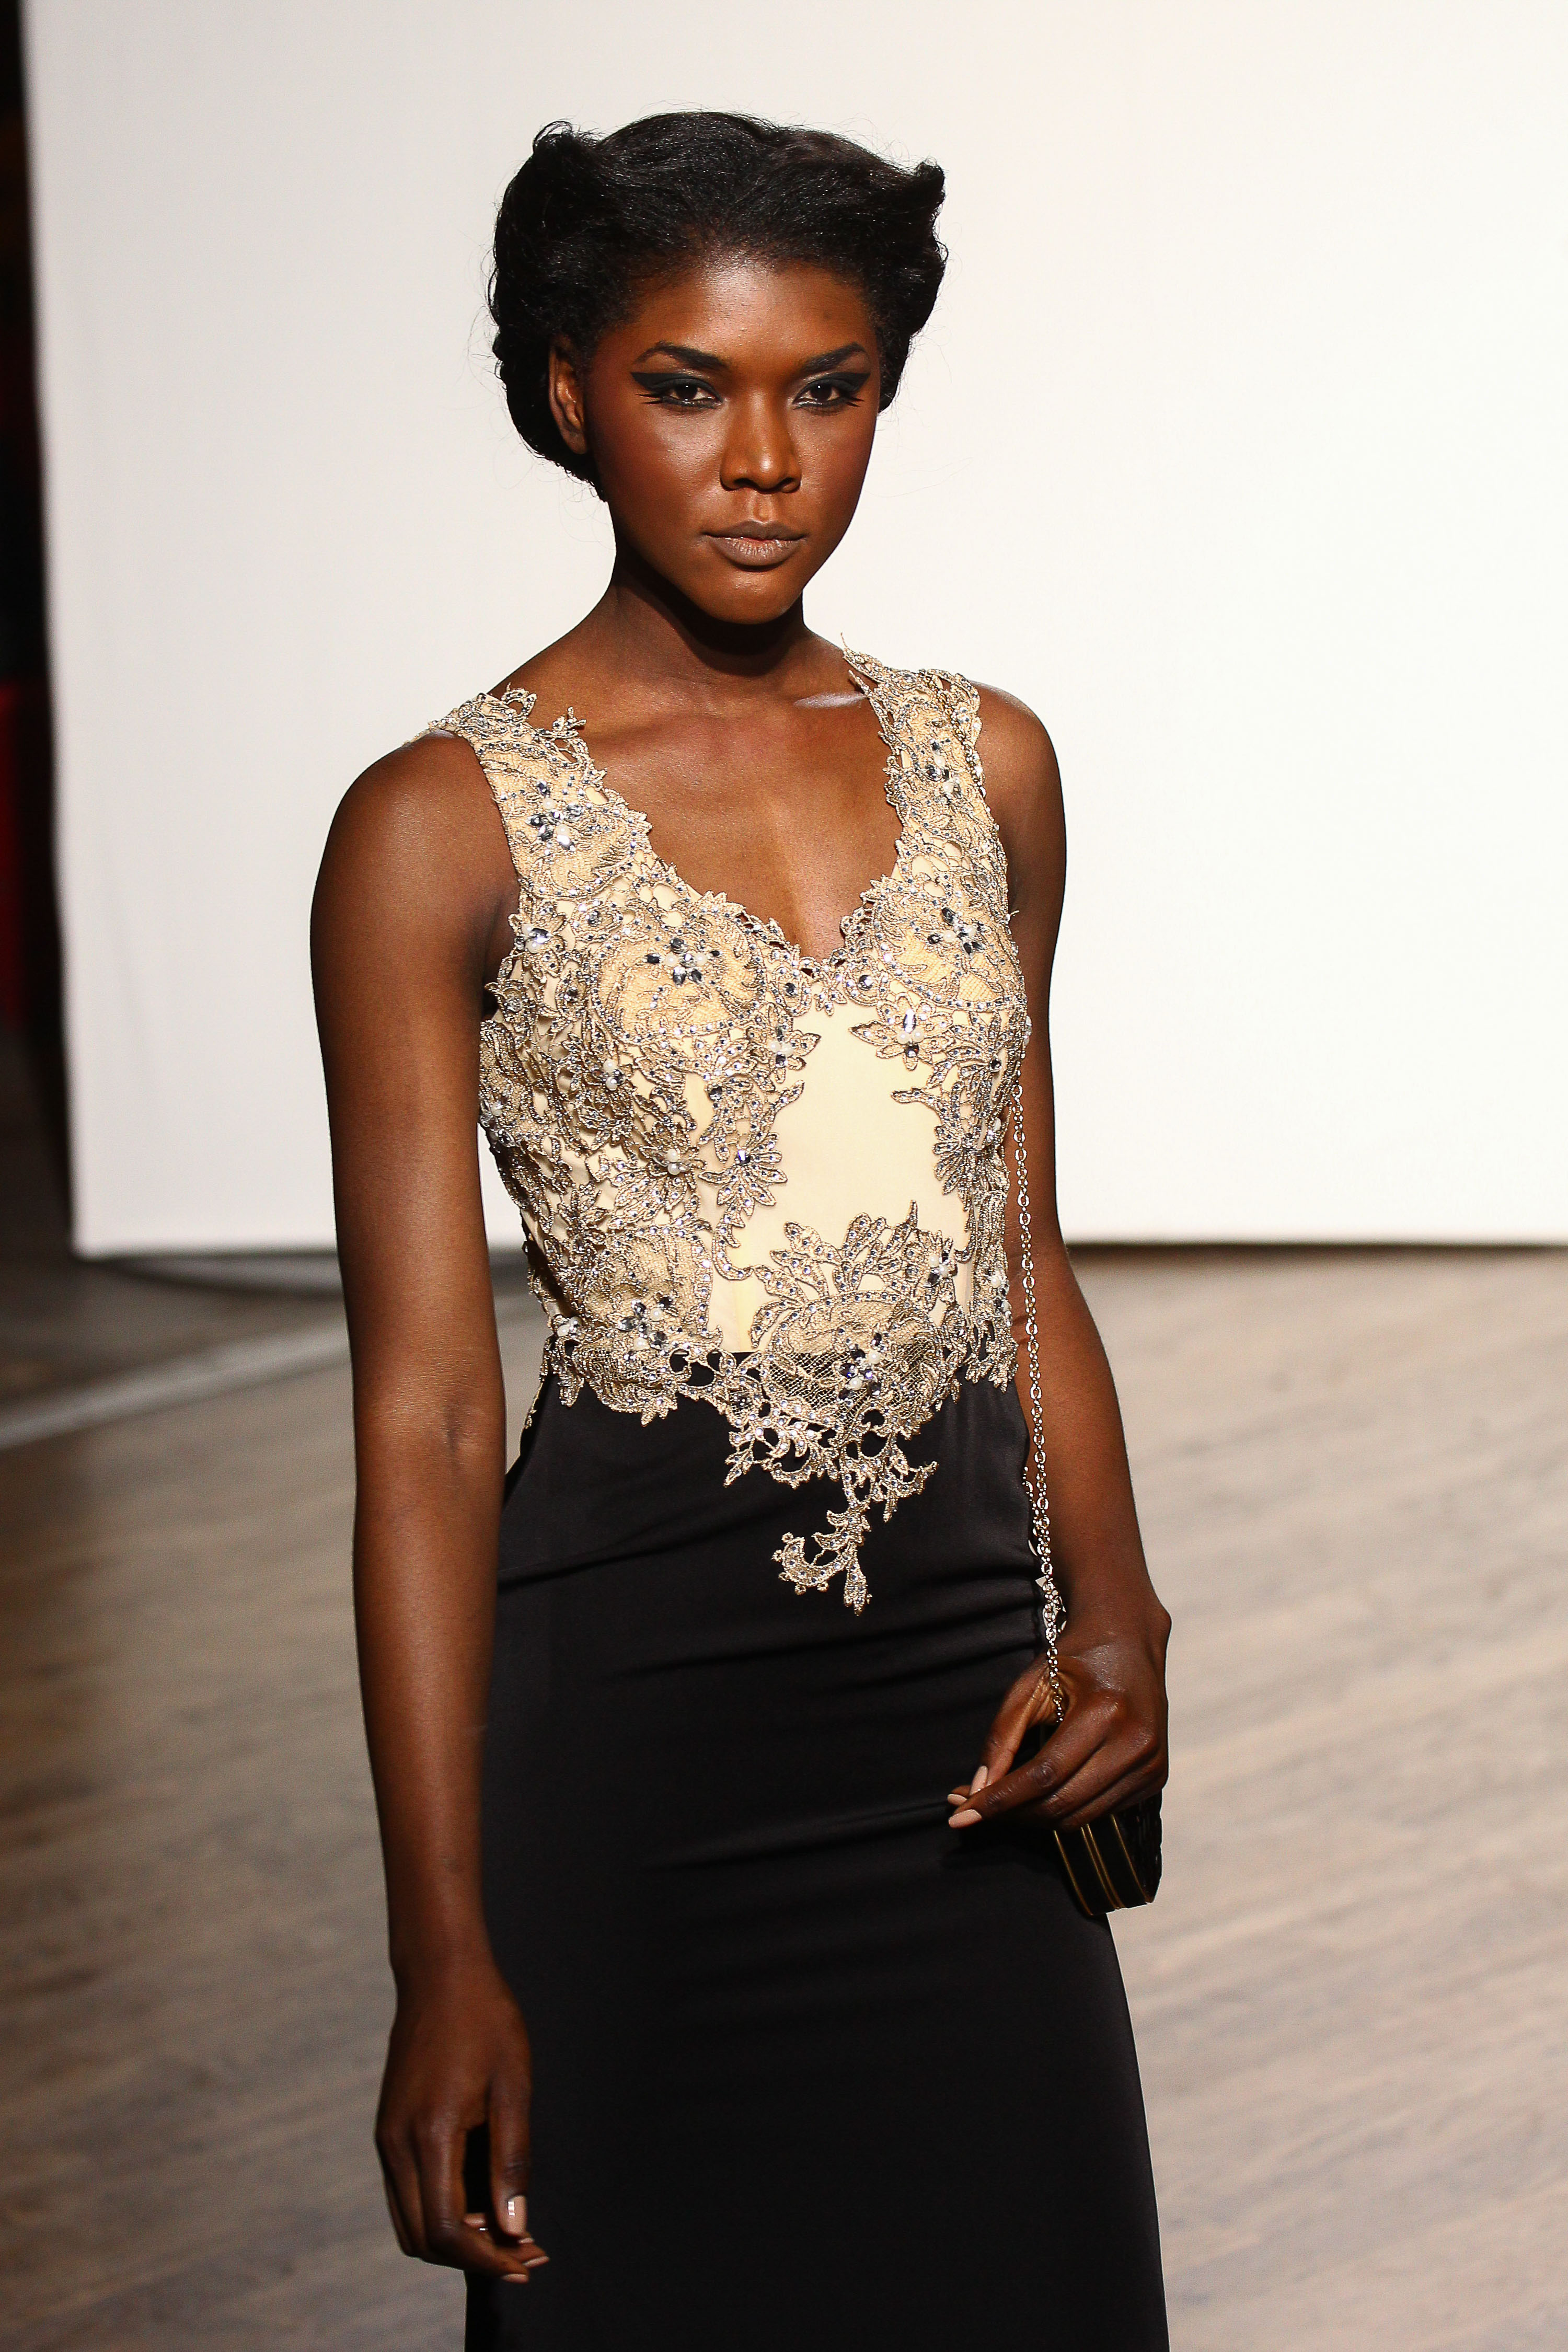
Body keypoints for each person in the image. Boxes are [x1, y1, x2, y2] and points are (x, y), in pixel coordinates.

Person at [312, 111, 1172, 2351]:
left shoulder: (987, 764)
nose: (767, 460)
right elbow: (425, 1421)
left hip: (966, 1734)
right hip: (629, 1737)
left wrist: (1123, 1615)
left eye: (831, 384)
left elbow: (1021, 1250)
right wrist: (440, 1946)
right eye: (688, 387)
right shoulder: (435, 826)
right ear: (567, 392)